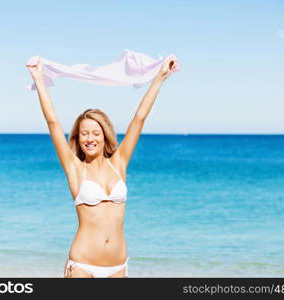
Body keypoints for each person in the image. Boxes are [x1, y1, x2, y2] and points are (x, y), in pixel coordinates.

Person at [26, 54, 179, 278]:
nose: (90, 138)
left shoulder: (119, 163)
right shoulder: (74, 168)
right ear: (78, 138)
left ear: (104, 136)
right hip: (82, 266)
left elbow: (139, 118)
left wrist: (161, 77)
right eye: (84, 133)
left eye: (96, 133)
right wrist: (39, 78)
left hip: (118, 267)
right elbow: (53, 122)